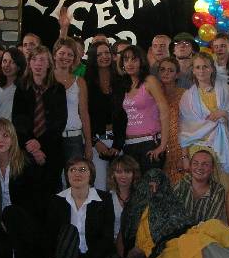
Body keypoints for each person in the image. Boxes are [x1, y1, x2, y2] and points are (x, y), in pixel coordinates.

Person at [43, 157, 126, 258]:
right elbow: (49, 236)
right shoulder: (57, 200)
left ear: (91, 174)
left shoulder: (104, 199)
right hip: (66, 253)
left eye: (82, 170)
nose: (77, 173)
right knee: (70, 230)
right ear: (67, 175)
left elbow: (106, 239)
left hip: (91, 257)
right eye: (72, 170)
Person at [0, 118, 43, 258]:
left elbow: (36, 202)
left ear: (13, 138)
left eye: (6, 135)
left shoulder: (27, 162)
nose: (1, 140)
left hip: (23, 222)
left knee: (11, 212)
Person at [180, 52, 229, 190]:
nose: (201, 70)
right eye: (198, 67)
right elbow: (185, 131)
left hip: (222, 147)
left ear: (212, 69)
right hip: (197, 149)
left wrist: (225, 113)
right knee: (200, 190)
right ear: (193, 70)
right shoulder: (187, 97)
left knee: (226, 188)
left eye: (205, 66)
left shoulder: (225, 89)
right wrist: (185, 157)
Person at [12, 45, 67, 200]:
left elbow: (59, 121)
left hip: (52, 149)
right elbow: (18, 120)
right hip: (26, 149)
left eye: (42, 59)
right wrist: (33, 147)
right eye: (34, 59)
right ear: (29, 63)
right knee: (27, 194)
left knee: (49, 194)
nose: (38, 63)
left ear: (49, 64)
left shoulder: (58, 89)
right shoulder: (21, 87)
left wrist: (40, 144)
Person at [112, 45, 169, 174]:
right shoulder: (125, 85)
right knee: (133, 185)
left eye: (134, 59)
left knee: (150, 185)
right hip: (129, 145)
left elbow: (165, 112)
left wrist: (162, 145)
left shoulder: (150, 81)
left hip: (150, 143)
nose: (130, 63)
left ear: (142, 61)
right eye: (126, 59)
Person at [53, 37, 93, 166]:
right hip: (51, 137)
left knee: (76, 176)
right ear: (54, 55)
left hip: (74, 138)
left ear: (74, 58)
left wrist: (88, 144)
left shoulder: (79, 81)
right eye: (62, 53)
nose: (65, 57)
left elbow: (84, 114)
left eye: (70, 54)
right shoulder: (46, 79)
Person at [84, 41, 118, 191]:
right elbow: (84, 115)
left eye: (107, 53)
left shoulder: (119, 80)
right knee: (100, 187)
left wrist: (118, 144)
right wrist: (95, 142)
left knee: (118, 188)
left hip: (118, 141)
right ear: (93, 57)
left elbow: (123, 115)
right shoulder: (86, 82)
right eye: (99, 54)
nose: (104, 56)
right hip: (97, 141)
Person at [156, 56, 187, 187]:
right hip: (158, 146)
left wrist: (185, 155)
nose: (166, 73)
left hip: (179, 146)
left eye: (170, 70)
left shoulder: (185, 94)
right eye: (162, 70)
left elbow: (189, 125)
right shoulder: (153, 95)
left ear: (177, 74)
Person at [172, 149, 227, 223]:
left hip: (205, 230)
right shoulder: (182, 184)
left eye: (205, 164)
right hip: (177, 229)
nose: (200, 167)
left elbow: (212, 223)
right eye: (195, 163)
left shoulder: (218, 190)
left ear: (212, 169)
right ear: (190, 166)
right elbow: (168, 212)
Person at [107, 154, 140, 253]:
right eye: (119, 172)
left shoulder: (140, 198)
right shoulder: (106, 198)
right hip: (111, 245)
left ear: (134, 174)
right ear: (113, 174)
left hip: (136, 245)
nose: (123, 176)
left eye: (127, 172)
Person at [0, 47, 26, 123]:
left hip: (8, 129)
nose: (7, 65)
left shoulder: (22, 89)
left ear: (19, 66)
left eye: (12, 62)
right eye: (4, 61)